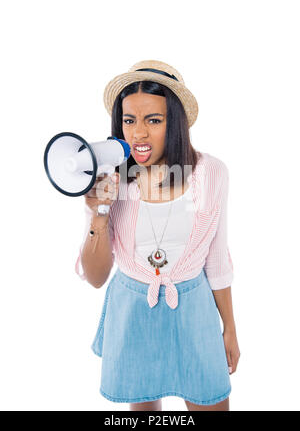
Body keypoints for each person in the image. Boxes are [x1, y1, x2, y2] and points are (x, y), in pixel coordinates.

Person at [75, 60, 240, 412]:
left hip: (194, 308)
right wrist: (97, 215)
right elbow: (95, 277)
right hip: (133, 311)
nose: (138, 134)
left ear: (175, 122)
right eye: (129, 120)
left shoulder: (211, 173)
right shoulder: (109, 179)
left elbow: (217, 259)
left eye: (153, 120)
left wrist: (229, 328)